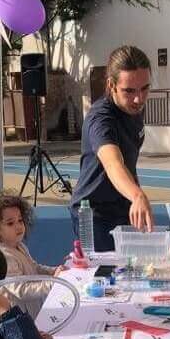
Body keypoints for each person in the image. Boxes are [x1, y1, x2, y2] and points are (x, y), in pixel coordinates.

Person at [69, 45, 155, 251]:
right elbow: (113, 163)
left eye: (144, 88)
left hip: (122, 205)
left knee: (133, 271)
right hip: (94, 212)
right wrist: (138, 195)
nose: (139, 98)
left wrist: (132, 197)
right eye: (129, 91)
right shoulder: (101, 120)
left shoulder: (134, 108)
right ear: (111, 85)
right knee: (105, 278)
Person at [0, 194, 60, 318]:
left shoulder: (19, 246)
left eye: (20, 220)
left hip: (32, 311)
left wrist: (54, 271)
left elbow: (34, 267)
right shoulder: (3, 256)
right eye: (10, 223)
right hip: (18, 317)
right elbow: (21, 290)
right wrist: (53, 283)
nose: (18, 226)